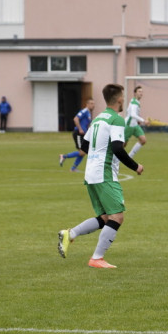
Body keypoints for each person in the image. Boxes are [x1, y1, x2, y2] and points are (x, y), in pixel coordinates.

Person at [57, 84, 143, 269]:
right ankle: (97, 258)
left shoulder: (97, 119)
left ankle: (70, 234)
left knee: (105, 217)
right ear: (119, 99)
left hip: (91, 174)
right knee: (117, 217)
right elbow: (118, 148)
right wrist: (135, 166)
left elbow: (85, 148)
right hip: (104, 174)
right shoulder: (116, 120)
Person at [59, 98, 94, 171]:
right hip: (78, 133)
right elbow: (76, 119)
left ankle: (73, 168)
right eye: (91, 103)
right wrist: (80, 129)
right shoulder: (84, 111)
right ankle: (64, 156)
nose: (93, 105)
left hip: (83, 134)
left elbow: (87, 125)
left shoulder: (89, 114)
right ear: (87, 104)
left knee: (83, 152)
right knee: (82, 152)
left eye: (93, 104)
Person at [124, 84, 148, 158]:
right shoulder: (134, 103)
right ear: (135, 93)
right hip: (129, 125)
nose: (141, 93)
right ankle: (113, 159)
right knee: (123, 145)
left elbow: (133, 113)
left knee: (143, 140)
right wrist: (143, 121)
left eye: (142, 92)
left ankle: (129, 157)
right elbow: (132, 114)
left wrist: (138, 120)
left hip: (135, 125)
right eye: (139, 91)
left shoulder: (135, 101)